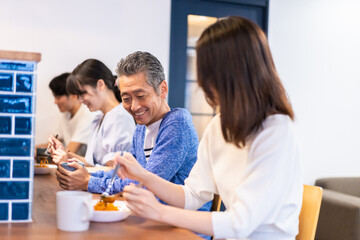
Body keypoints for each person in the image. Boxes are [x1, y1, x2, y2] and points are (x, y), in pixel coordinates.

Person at [114, 17, 303, 240]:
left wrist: (159, 211)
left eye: (207, 71)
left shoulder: (275, 130)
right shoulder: (219, 126)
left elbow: (238, 223)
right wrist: (143, 176)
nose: (202, 83)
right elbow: (192, 194)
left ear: (234, 73)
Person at [55, 52, 211, 216]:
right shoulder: (142, 128)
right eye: (127, 98)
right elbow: (124, 173)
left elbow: (143, 183)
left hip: (184, 226)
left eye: (141, 96)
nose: (134, 106)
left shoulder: (177, 124)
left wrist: (88, 182)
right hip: (152, 216)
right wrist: (85, 174)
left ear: (162, 89)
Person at [51, 59, 135, 173]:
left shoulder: (120, 117)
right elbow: (92, 164)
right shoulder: (99, 118)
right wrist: (66, 154)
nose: (80, 100)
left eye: (82, 93)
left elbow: (116, 170)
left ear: (100, 84)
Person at [35, 72, 94, 157]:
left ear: (73, 95)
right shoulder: (66, 114)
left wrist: (37, 153)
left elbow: (69, 151)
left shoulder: (87, 115)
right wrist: (31, 149)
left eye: (58, 98)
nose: (55, 102)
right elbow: (51, 144)